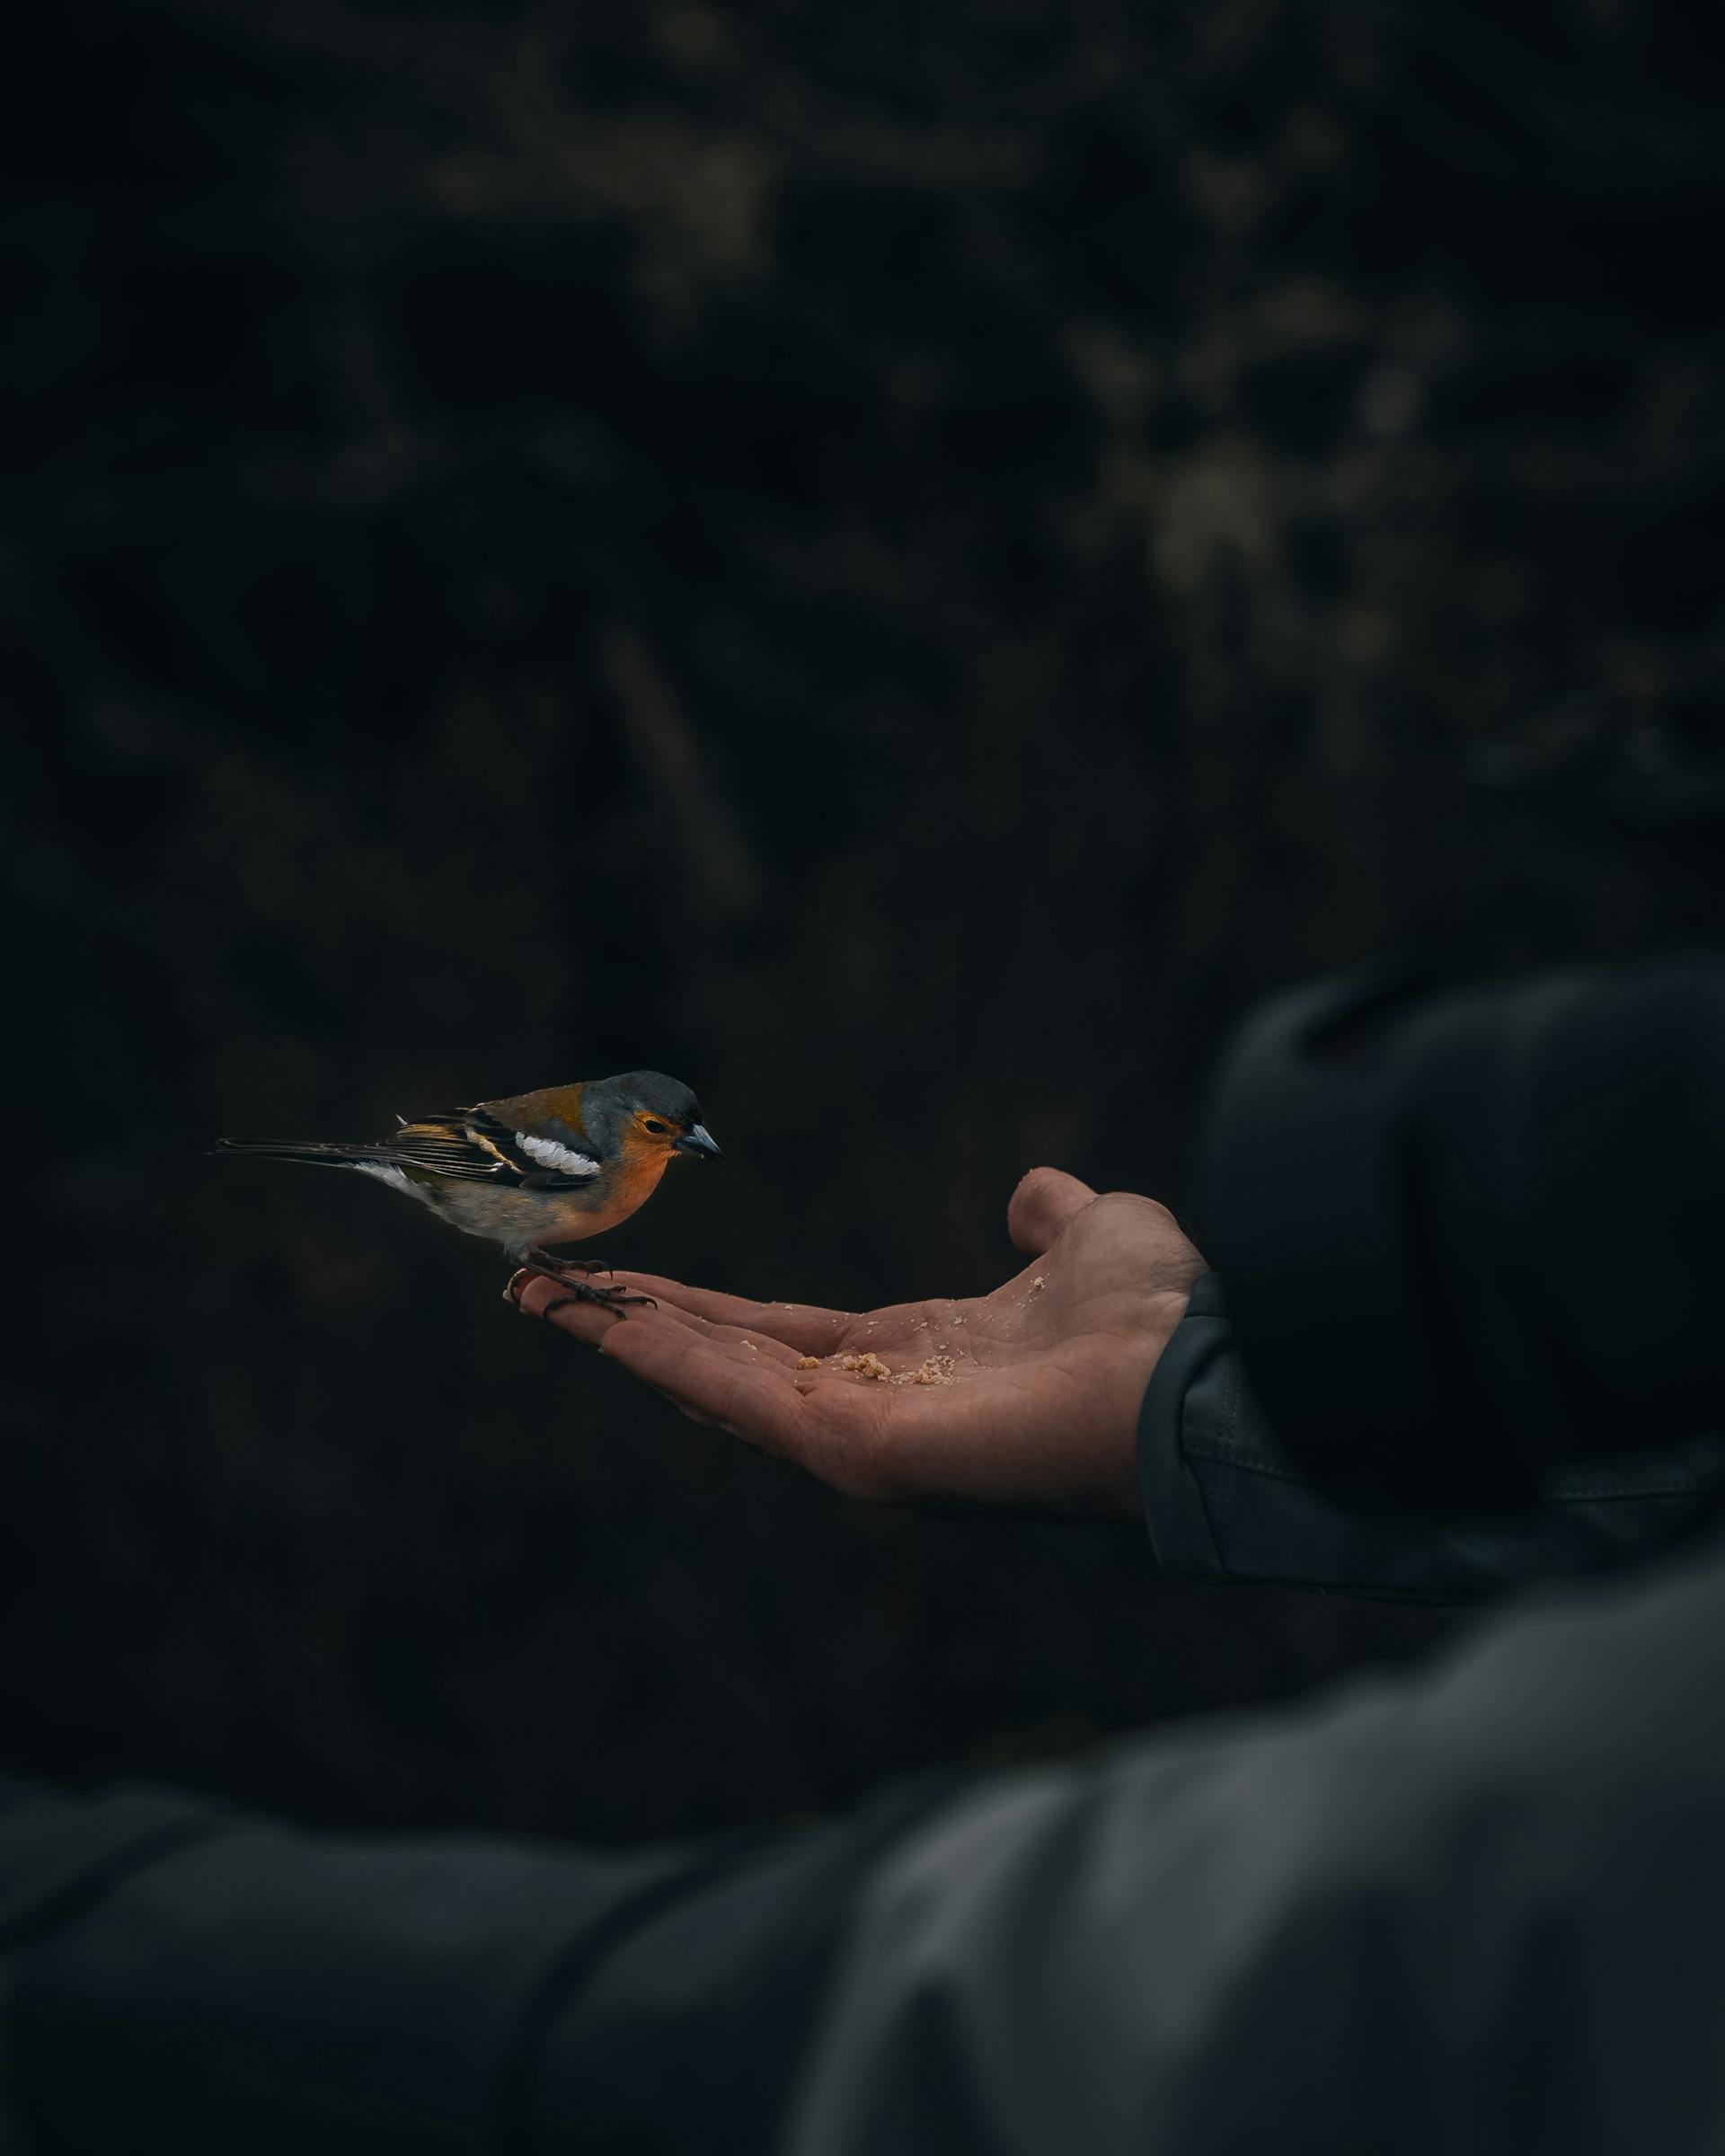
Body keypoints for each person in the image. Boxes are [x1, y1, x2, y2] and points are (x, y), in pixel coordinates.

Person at [2, 959, 1721, 2153]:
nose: (663, 1153)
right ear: (621, 1126)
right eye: (657, 1134)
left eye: (664, 1139)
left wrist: (1194, 1401)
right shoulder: (564, 1145)